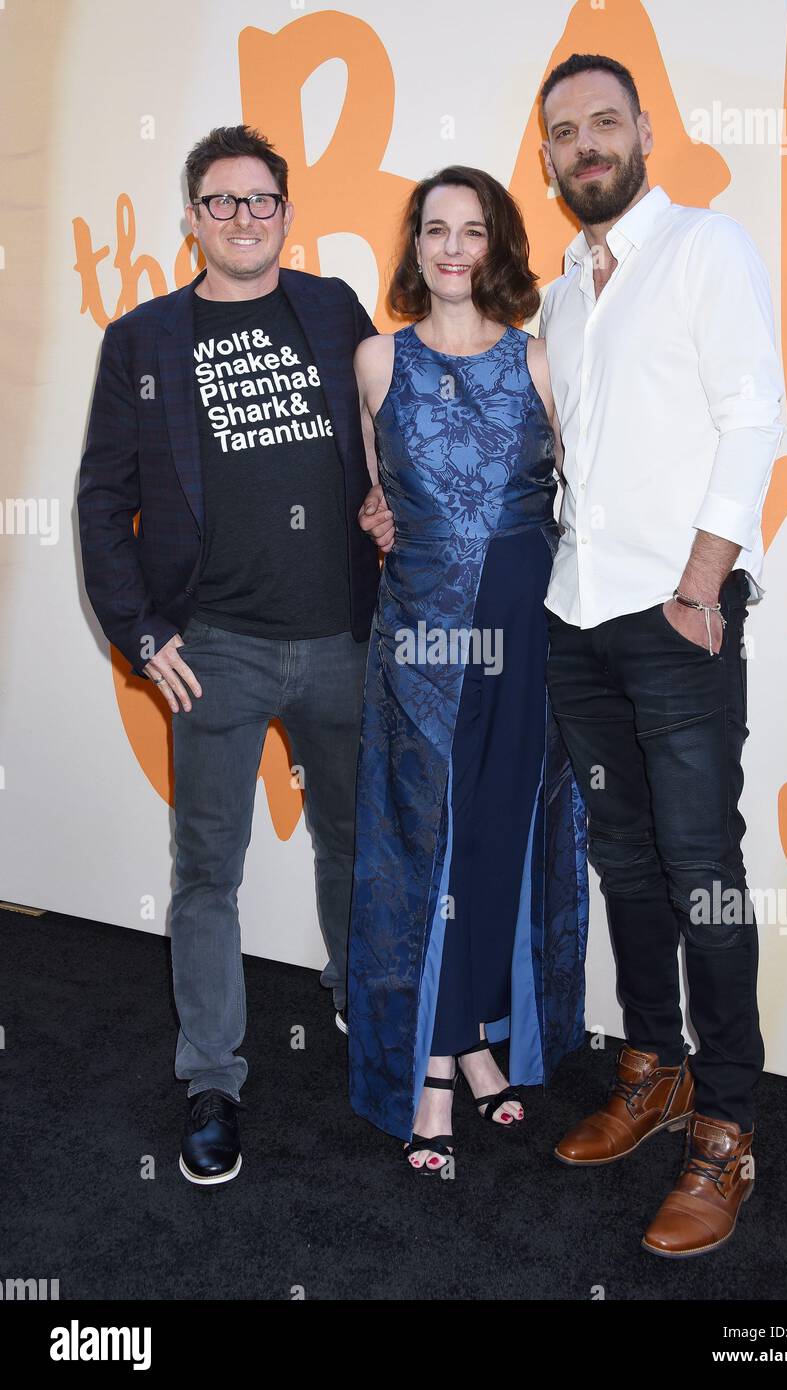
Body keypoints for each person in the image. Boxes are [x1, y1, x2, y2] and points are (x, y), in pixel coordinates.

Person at [78, 124, 390, 1185]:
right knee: (207, 870)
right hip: (212, 651)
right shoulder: (143, 340)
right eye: (224, 202)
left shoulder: (334, 309)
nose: (245, 217)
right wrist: (143, 634)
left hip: (345, 639)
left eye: (262, 200)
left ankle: (360, 1002)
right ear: (193, 218)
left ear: (287, 215)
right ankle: (213, 1076)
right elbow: (101, 501)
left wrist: (395, 507)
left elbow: (393, 432)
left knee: (356, 843)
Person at [538, 55, 785, 1254]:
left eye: (603, 123)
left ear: (642, 131)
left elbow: (753, 413)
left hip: (677, 619)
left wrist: (701, 581)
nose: (586, 145)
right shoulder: (562, 296)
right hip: (576, 620)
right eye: (565, 133)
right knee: (624, 862)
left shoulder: (706, 248)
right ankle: (656, 1069)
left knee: (706, 872)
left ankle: (730, 1122)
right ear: (548, 161)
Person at [348, 166, 589, 1171]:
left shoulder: (540, 360)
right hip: (420, 639)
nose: (453, 247)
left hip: (521, 634)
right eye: (435, 230)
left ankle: (485, 1040)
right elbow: (381, 494)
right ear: (414, 248)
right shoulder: (374, 360)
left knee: (499, 836)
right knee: (423, 846)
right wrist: (378, 521)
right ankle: (438, 1061)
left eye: (473, 230)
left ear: (497, 247)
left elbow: (581, 489)